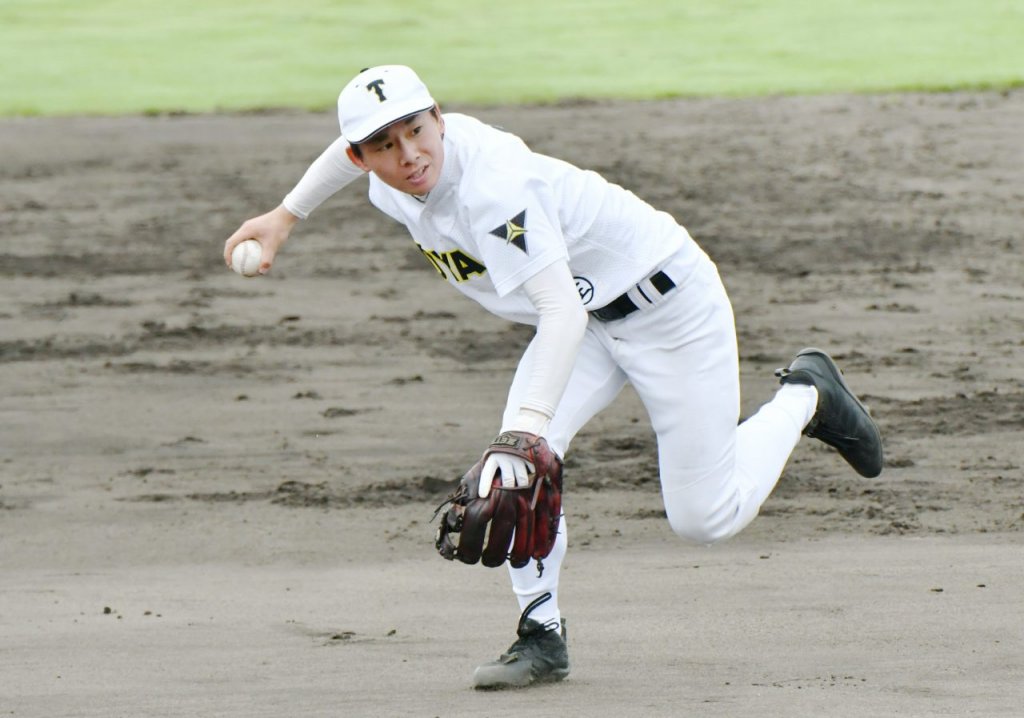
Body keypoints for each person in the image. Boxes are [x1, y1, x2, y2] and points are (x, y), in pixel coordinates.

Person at [224, 65, 884, 690]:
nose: (409, 156)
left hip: (669, 308)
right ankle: (541, 633)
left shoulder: (494, 186)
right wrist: (285, 217)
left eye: (417, 131)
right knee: (511, 476)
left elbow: (558, 309)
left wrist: (529, 429)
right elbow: (345, 157)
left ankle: (807, 395)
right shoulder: (382, 175)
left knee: (705, 517)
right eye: (385, 144)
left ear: (440, 120)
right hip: (587, 321)